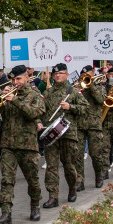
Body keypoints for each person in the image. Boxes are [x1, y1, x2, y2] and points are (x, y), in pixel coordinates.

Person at [0, 65, 45, 224]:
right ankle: (6, 213)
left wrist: (14, 100)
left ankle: (35, 205)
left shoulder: (34, 95)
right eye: (13, 79)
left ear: (26, 78)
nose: (15, 82)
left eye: (18, 79)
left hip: (27, 145)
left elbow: (34, 113)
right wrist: (1, 103)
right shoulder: (10, 94)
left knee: (33, 179)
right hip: (8, 144)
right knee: (7, 180)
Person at [40, 63, 87, 207]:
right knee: (52, 167)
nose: (57, 75)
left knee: (69, 165)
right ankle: (53, 196)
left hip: (68, 133)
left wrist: (70, 107)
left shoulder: (73, 92)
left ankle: (72, 188)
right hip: (52, 134)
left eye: (60, 73)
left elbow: (85, 109)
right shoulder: (48, 93)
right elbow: (40, 110)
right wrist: (39, 122)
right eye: (55, 74)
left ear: (67, 75)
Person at [74, 65, 107, 191]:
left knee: (96, 154)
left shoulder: (99, 87)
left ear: (93, 74)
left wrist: (91, 84)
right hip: (79, 124)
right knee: (78, 154)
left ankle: (99, 175)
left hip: (94, 125)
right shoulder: (77, 88)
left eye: (88, 75)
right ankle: (79, 180)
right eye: (84, 76)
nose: (86, 78)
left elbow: (100, 100)